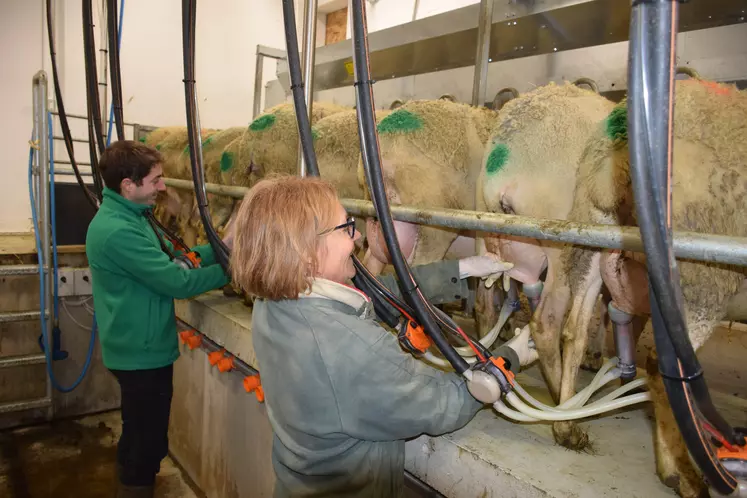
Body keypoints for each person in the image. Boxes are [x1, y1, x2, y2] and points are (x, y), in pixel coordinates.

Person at [229, 175, 537, 498]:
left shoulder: (274, 304)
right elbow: (441, 404)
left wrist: (461, 269)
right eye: (346, 228)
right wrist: (508, 361)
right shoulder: (351, 348)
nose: (359, 236)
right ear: (307, 253)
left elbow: (382, 294)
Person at [85, 140, 233, 498]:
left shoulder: (132, 218)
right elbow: (176, 281)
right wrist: (234, 269)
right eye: (156, 180)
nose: (164, 187)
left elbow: (176, 257)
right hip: (140, 353)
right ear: (128, 186)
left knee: (138, 434)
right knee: (147, 446)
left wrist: (222, 247)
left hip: (141, 345)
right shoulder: (118, 231)